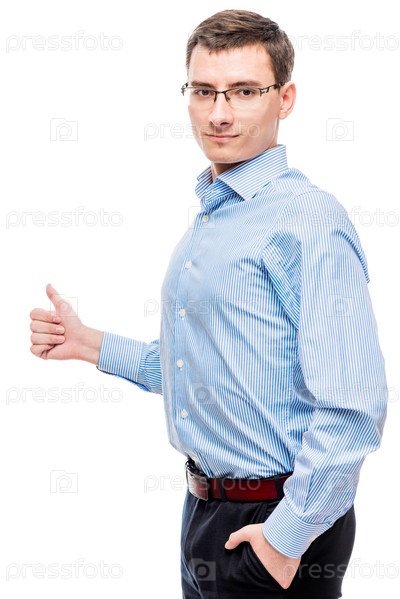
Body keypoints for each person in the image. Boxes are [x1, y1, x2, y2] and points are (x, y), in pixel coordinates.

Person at [29, 9, 387, 599]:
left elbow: (353, 405)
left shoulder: (307, 220)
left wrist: (284, 538)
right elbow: (205, 368)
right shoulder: (214, 215)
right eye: (204, 91)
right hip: (204, 512)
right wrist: (87, 343)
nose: (220, 113)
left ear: (285, 98)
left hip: (278, 521)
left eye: (244, 91)